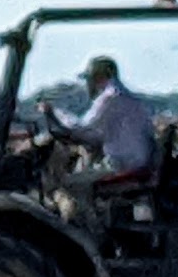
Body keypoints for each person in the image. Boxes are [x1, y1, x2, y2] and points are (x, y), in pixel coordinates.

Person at [39, 57, 157, 224]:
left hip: (123, 165)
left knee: (69, 183)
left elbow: (81, 130)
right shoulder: (130, 99)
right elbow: (95, 133)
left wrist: (52, 112)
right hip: (137, 162)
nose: (89, 85)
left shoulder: (110, 97)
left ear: (100, 77)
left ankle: (89, 232)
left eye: (90, 79)